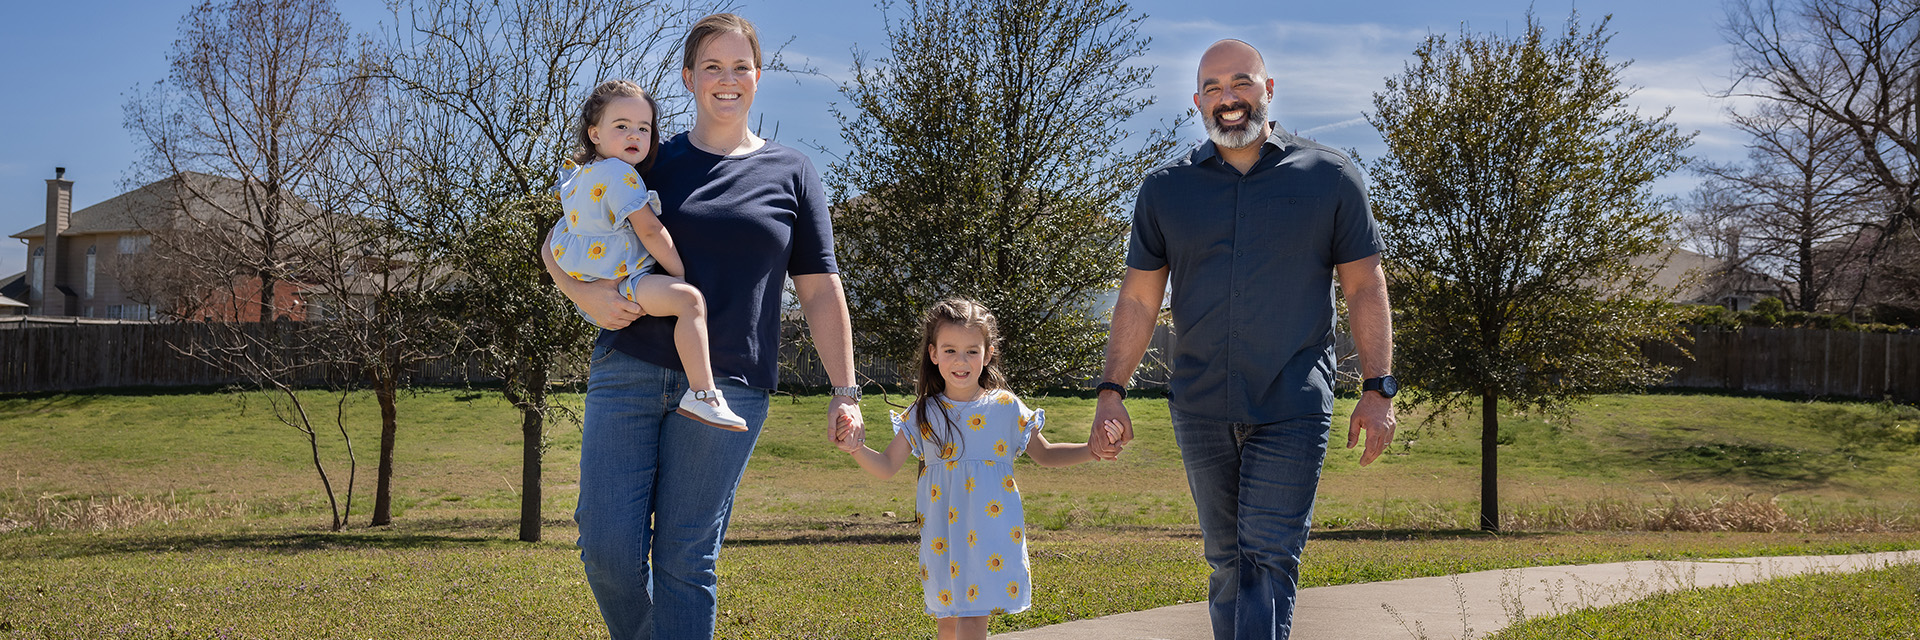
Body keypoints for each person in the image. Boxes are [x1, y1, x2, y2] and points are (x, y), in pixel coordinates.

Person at [540, 13, 866, 640]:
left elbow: (821, 289)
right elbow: (560, 236)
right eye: (711, 66)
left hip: (729, 387)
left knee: (687, 558)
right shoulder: (646, 157)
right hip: (628, 366)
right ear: (688, 78)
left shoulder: (791, 172)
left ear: (758, 76)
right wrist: (583, 296)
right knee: (606, 547)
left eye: (740, 66)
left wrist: (844, 390)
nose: (727, 79)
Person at [1086, 39, 1398, 640]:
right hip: (1200, 405)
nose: (1228, 99)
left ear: (1269, 89)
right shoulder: (1166, 190)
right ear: (1197, 101)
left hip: (1292, 402)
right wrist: (1111, 390)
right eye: (1213, 88)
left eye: (1241, 83)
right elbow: (1138, 297)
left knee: (1266, 558)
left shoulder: (1330, 177)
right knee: (1227, 562)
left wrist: (1378, 387)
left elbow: (1364, 287)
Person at [843, 298, 1114, 640]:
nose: (961, 361)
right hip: (943, 534)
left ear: (987, 355)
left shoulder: (1004, 407)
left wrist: (1091, 451)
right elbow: (885, 466)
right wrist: (854, 447)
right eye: (951, 350)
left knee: (972, 614)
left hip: (989, 528)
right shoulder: (924, 412)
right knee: (947, 617)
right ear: (934, 353)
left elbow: (1044, 454)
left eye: (972, 351)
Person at [549, 79, 746, 430]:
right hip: (625, 282)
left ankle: (702, 396)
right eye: (621, 126)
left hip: (592, 286)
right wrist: (678, 274)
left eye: (644, 128)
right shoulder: (620, 174)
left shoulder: (578, 175)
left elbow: (555, 237)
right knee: (690, 302)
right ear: (594, 133)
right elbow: (651, 230)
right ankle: (703, 395)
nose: (634, 135)